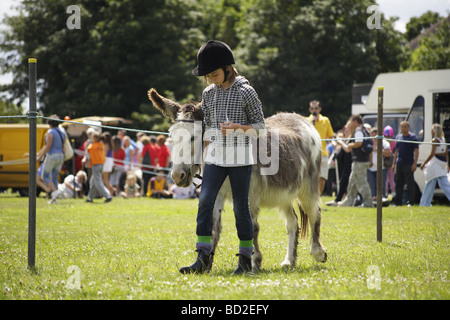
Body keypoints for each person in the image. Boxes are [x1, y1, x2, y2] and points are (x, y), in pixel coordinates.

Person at [179, 40, 265, 275]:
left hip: (240, 159)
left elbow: (261, 127)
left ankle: (245, 261)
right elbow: (208, 127)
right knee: (205, 201)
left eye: (214, 74)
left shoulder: (246, 91)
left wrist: (238, 127)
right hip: (215, 158)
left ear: (228, 68)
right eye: (207, 76)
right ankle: (203, 257)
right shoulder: (208, 93)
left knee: (240, 209)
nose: (211, 80)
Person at [337, 115, 373, 207]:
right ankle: (348, 202)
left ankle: (368, 203)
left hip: (359, 161)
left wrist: (350, 145)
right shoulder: (364, 130)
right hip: (361, 160)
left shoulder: (358, 130)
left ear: (355, 121)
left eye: (352, 121)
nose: (351, 124)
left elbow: (359, 143)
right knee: (352, 182)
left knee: (362, 183)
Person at [307, 100, 334, 195]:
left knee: (322, 180)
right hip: (310, 155)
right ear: (310, 110)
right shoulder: (307, 121)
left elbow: (330, 136)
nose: (314, 110)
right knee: (310, 180)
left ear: (320, 109)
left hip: (323, 154)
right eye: (312, 108)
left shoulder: (325, 120)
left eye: (316, 108)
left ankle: (317, 199)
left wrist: (334, 143)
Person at [37, 115, 65, 204]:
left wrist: (40, 156)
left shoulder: (51, 132)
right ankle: (54, 199)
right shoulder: (62, 132)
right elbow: (63, 146)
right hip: (61, 156)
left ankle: (54, 191)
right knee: (54, 177)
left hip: (52, 155)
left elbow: (48, 146)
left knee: (44, 176)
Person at [419, 124, 450, 206]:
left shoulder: (435, 140)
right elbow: (446, 153)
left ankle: (424, 203)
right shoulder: (443, 139)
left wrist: (424, 163)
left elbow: (432, 154)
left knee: (429, 183)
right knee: (445, 185)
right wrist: (447, 164)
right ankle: (426, 203)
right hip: (442, 164)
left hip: (435, 163)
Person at [392, 121, 419, 206]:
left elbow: (416, 151)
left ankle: (411, 202)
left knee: (410, 184)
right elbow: (396, 151)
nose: (403, 128)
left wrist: (415, 163)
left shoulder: (413, 137)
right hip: (399, 164)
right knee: (399, 184)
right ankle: (398, 202)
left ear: (408, 127)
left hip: (409, 164)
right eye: (402, 127)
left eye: (405, 127)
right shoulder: (398, 137)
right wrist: (393, 164)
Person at [326, 122, 353, 206]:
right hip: (344, 164)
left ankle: (340, 199)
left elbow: (347, 149)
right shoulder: (348, 138)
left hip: (349, 165)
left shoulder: (352, 137)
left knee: (347, 182)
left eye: (347, 128)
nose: (345, 130)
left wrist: (340, 141)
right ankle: (339, 199)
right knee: (343, 182)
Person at [86, 132, 112, 203]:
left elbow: (88, 148)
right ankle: (90, 198)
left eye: (92, 138)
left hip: (96, 165)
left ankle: (107, 195)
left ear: (95, 139)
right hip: (100, 165)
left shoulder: (93, 146)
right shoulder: (101, 144)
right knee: (93, 181)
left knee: (97, 181)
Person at [367, 128, 391, 200]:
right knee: (372, 185)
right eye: (372, 136)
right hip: (370, 168)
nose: (374, 138)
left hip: (382, 168)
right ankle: (373, 198)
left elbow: (388, 154)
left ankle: (382, 198)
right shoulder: (368, 143)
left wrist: (378, 149)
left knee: (381, 185)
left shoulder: (385, 143)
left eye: (375, 136)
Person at [383, 125, 396, 198]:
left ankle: (385, 194)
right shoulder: (394, 142)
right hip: (391, 163)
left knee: (385, 180)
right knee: (392, 179)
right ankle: (393, 194)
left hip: (385, 163)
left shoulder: (383, 142)